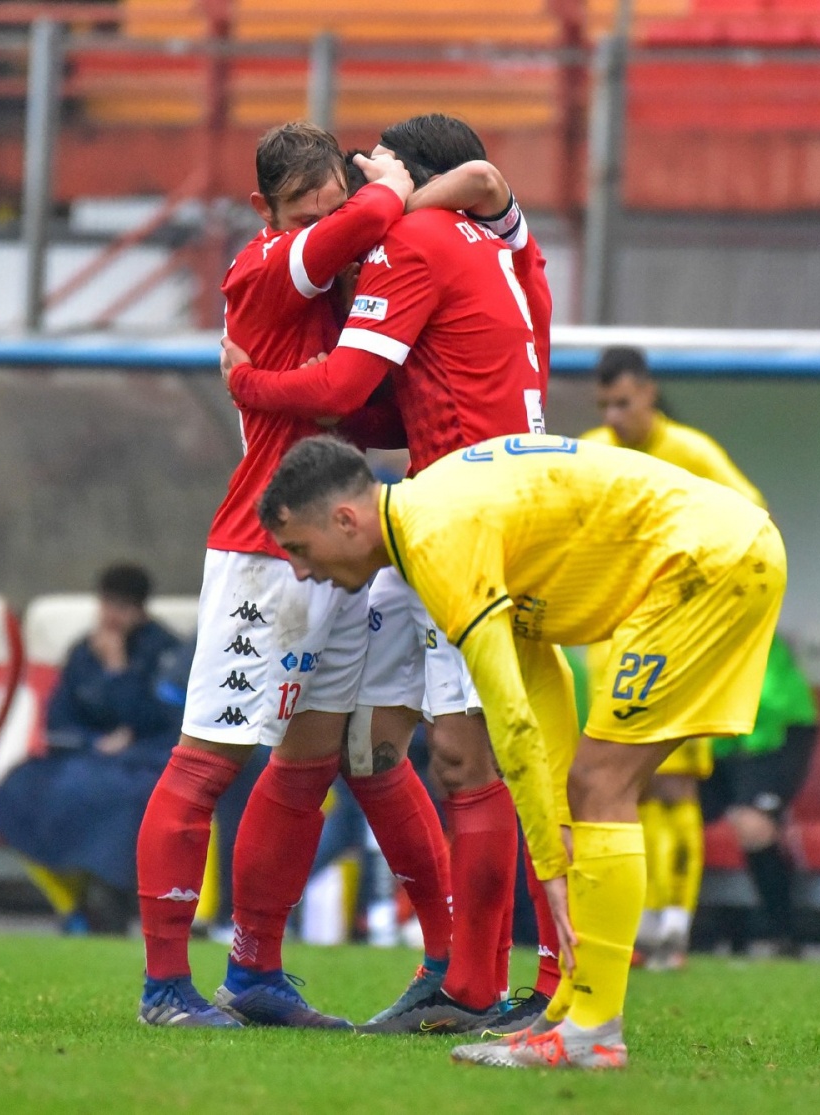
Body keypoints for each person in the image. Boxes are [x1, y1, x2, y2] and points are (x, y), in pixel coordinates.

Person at [135, 121, 520, 1030]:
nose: (329, 224)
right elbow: (370, 225)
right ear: (267, 211)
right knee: (207, 759)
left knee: (323, 762)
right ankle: (163, 986)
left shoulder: (345, 266)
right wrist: (394, 185)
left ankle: (261, 970)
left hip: (338, 551)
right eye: (307, 210)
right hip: (267, 552)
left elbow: (360, 391)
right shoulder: (270, 263)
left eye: (331, 206)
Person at [257, 433, 784, 1069]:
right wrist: (555, 822)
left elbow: (508, 715)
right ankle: (572, 1014)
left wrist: (551, 862)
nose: (303, 571)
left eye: (299, 550)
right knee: (589, 787)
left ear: (345, 521)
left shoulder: (434, 540)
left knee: (602, 786)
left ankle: (594, 1032)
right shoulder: (433, 515)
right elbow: (541, 670)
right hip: (723, 551)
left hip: (709, 563)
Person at [222, 112, 566, 1032]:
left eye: (376, 174)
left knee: (468, 757)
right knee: (372, 743)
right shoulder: (499, 238)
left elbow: (337, 394)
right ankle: (454, 961)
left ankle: (482, 985)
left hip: (473, 519)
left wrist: (248, 384)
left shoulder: (412, 239)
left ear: (409, 178)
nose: (362, 199)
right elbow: (490, 184)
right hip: (441, 508)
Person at [580, 345, 768, 969]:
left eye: (623, 402)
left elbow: (751, 513)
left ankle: (674, 929)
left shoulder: (690, 451)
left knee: (674, 786)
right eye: (604, 403)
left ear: (649, 395)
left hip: (678, 636)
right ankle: (638, 926)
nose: (613, 415)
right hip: (614, 640)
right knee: (618, 785)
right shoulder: (593, 449)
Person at [0, 564, 181, 934]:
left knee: (122, 798)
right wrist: (97, 741)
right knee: (18, 789)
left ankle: (108, 898)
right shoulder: (81, 652)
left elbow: (161, 719)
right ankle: (73, 905)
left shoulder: (164, 651)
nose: (111, 616)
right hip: (86, 757)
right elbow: (57, 720)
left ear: (140, 610)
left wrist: (118, 670)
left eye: (122, 607)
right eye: (107, 604)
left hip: (141, 762)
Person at [699, 635, 818, 958]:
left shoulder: (750, 627)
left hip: (776, 733)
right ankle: (677, 926)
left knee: (753, 823)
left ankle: (783, 932)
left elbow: (768, 697)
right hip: (722, 737)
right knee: (669, 808)